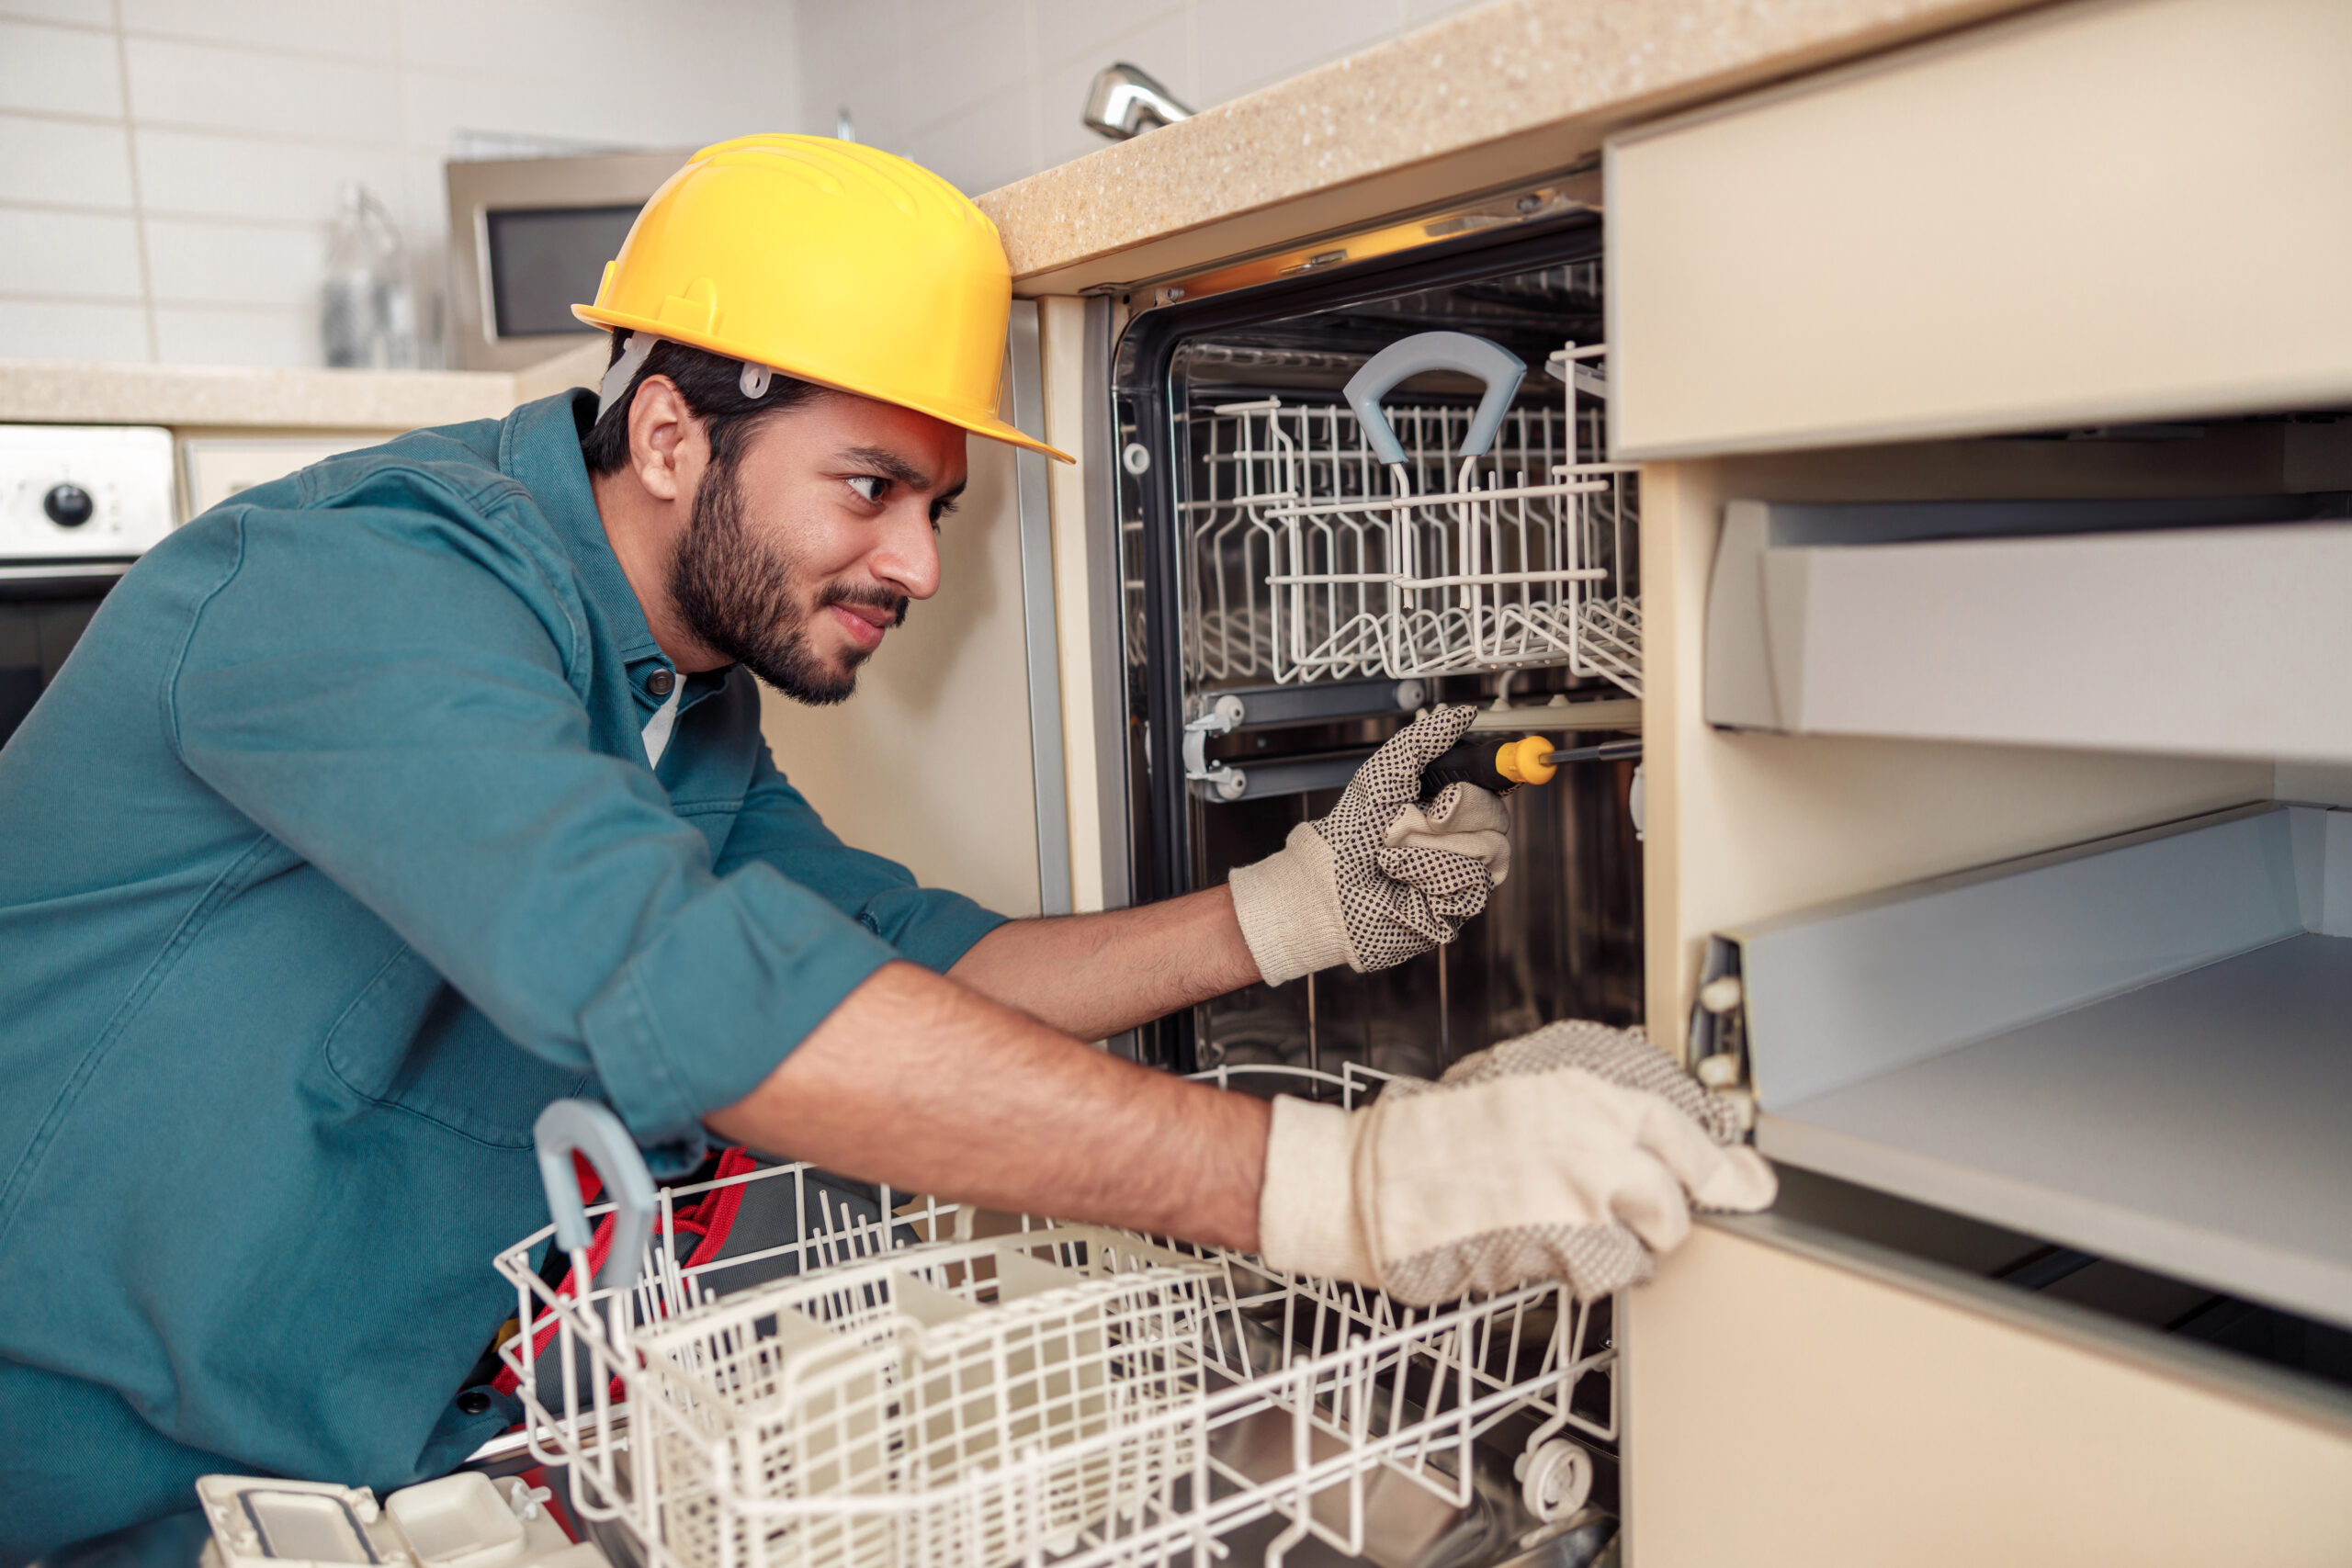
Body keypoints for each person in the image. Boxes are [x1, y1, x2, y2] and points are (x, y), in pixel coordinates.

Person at [0, 135, 1770, 1559]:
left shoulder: (681, 699)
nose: (920, 565)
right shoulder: (358, 586)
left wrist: (1289, 912)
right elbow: (706, 1000)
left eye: (938, 505)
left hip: (378, 1470)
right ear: (674, 433)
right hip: (82, 1483)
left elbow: (925, 965)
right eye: (868, 487)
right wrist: (1353, 1192)